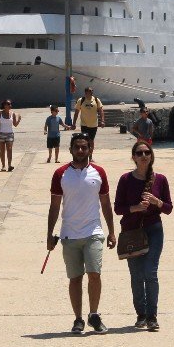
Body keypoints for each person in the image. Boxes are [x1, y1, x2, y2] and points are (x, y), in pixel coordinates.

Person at [46, 133, 117, 334]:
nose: (80, 151)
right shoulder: (60, 173)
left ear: (90, 149)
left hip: (93, 231)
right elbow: (54, 206)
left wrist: (112, 231)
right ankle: (78, 319)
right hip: (69, 234)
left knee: (94, 274)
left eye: (84, 147)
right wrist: (50, 234)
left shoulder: (99, 172)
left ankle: (94, 315)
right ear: (70, 149)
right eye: (76, 147)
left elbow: (105, 203)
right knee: (75, 278)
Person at [113, 142, 173, 331]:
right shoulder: (125, 179)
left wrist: (157, 202)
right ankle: (141, 314)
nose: (144, 155)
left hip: (154, 229)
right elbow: (118, 208)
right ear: (134, 157)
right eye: (140, 153)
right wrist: (135, 208)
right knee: (137, 275)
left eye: (147, 152)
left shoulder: (160, 179)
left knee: (150, 272)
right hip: (131, 231)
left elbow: (169, 208)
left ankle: (152, 316)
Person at [0, 100, 21, 171]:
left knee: (9, 149)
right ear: (4, 105)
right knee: (2, 150)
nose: (10, 105)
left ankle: (9, 165)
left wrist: (19, 119)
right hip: (1, 134)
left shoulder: (12, 114)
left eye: (10, 104)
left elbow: (15, 124)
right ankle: (3, 166)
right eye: (8, 104)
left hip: (10, 134)